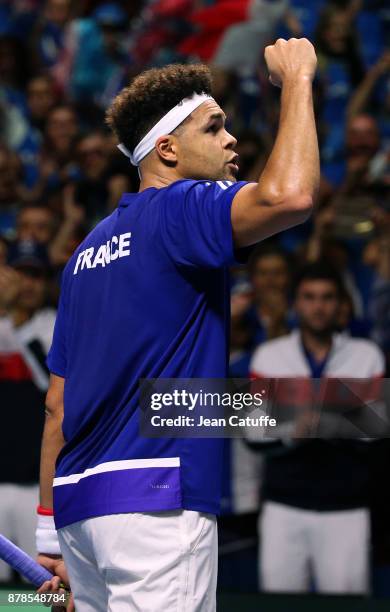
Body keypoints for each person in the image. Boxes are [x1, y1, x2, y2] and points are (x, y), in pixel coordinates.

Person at [37, 39, 319, 612]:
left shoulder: (83, 257)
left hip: (78, 515)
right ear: (167, 150)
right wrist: (298, 78)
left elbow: (57, 409)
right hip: (156, 504)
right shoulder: (183, 206)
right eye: (214, 128)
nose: (231, 139)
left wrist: (49, 540)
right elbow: (290, 196)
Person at [249, 262, 385, 594]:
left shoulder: (366, 355)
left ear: (341, 304)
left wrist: (323, 420)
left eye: (327, 298)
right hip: (283, 505)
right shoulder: (269, 356)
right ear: (296, 303)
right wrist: (294, 431)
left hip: (347, 507)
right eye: (309, 297)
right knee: (277, 605)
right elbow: (253, 429)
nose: (318, 306)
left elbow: (377, 428)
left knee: (347, 605)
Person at [0, 241, 55, 581]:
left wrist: (12, 320)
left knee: (38, 589)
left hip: (34, 488)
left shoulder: (53, 323)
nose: (27, 284)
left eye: (35, 276)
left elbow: (47, 382)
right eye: (21, 274)